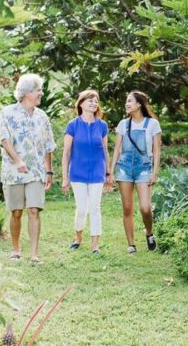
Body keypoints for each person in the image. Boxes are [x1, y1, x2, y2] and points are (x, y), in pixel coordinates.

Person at [0, 74, 55, 264]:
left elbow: (48, 146)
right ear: (27, 93)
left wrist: (49, 171)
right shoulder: (7, 113)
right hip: (13, 171)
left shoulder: (42, 116)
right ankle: (16, 248)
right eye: (38, 90)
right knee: (16, 212)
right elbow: (5, 140)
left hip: (36, 172)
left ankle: (34, 254)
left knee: (33, 210)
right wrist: (18, 161)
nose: (41, 93)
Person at [110, 91, 162, 253]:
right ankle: (131, 244)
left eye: (130, 101)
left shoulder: (152, 124)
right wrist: (111, 172)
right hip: (124, 169)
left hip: (144, 169)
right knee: (127, 208)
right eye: (126, 101)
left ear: (139, 104)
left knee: (145, 207)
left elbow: (157, 150)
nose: (127, 104)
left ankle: (149, 232)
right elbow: (117, 150)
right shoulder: (123, 124)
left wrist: (154, 173)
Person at [61, 90, 112, 254]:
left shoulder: (102, 125)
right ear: (81, 103)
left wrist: (109, 173)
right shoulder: (73, 125)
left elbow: (105, 150)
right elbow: (66, 153)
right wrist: (64, 177)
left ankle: (95, 245)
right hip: (78, 173)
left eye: (96, 101)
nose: (93, 103)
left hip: (97, 172)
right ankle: (78, 238)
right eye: (90, 100)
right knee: (82, 208)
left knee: (95, 208)